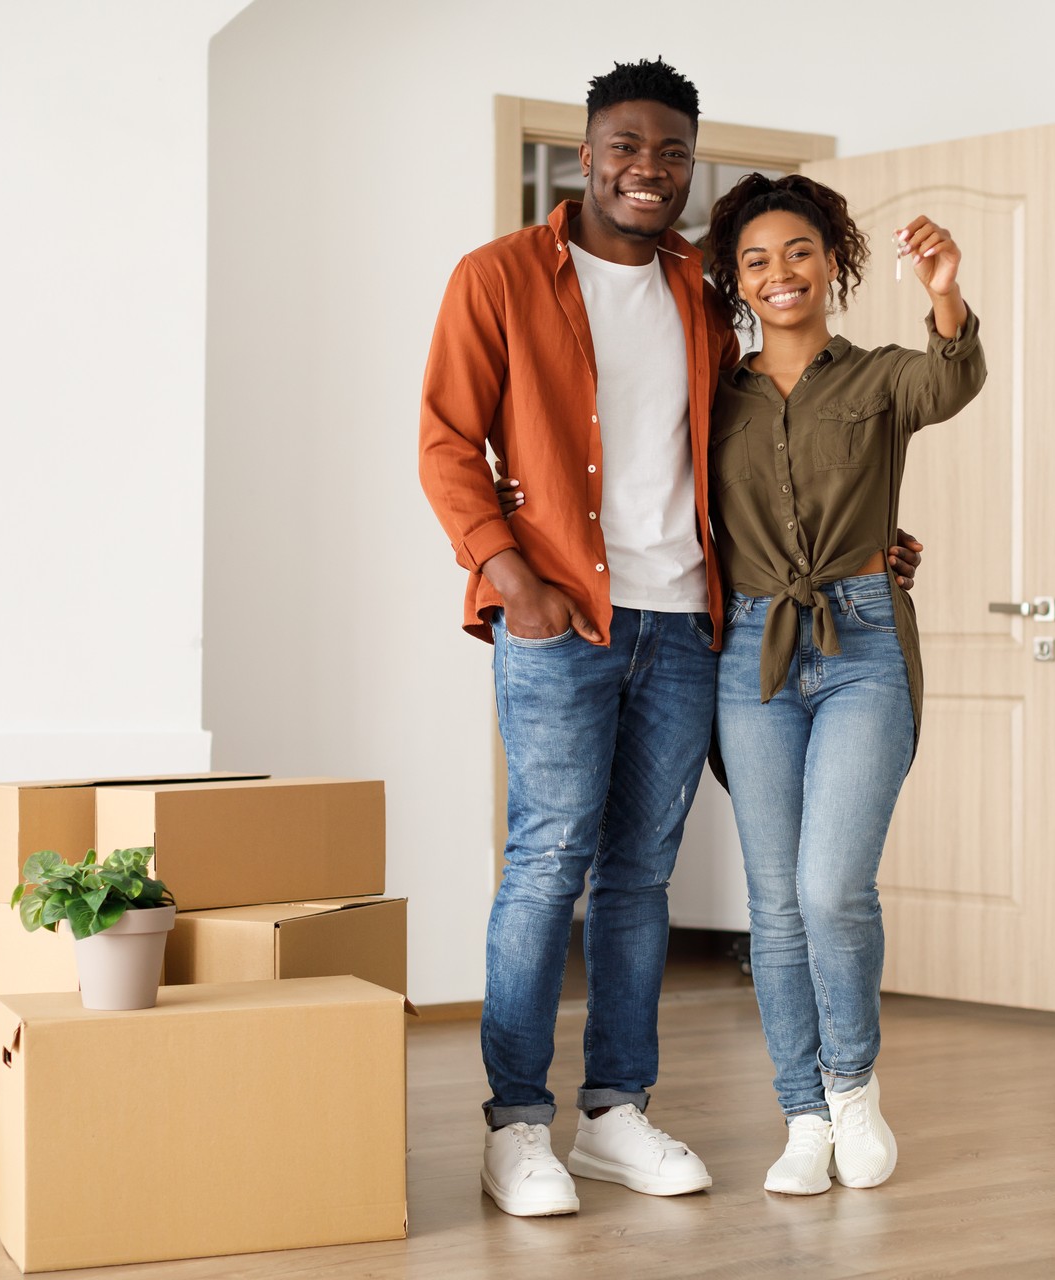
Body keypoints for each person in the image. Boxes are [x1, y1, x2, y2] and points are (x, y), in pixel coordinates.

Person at [418, 60, 923, 1219]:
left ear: (692, 169)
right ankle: (514, 1124)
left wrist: (860, 540)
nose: (648, 170)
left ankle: (613, 1111)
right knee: (548, 864)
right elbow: (448, 442)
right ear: (588, 154)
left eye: (672, 154)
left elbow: (776, 438)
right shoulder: (498, 278)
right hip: (562, 617)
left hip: (693, 622)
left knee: (640, 874)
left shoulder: (706, 289)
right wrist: (511, 579)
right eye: (626, 148)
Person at [699, 174, 985, 1195]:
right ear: (736, 281)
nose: (781, 273)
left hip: (862, 644)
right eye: (757, 260)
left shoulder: (878, 379)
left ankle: (855, 1086)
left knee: (832, 887)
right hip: (748, 650)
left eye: (800, 253)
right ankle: (803, 1115)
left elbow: (950, 380)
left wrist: (944, 291)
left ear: (835, 262)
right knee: (774, 903)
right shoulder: (714, 392)